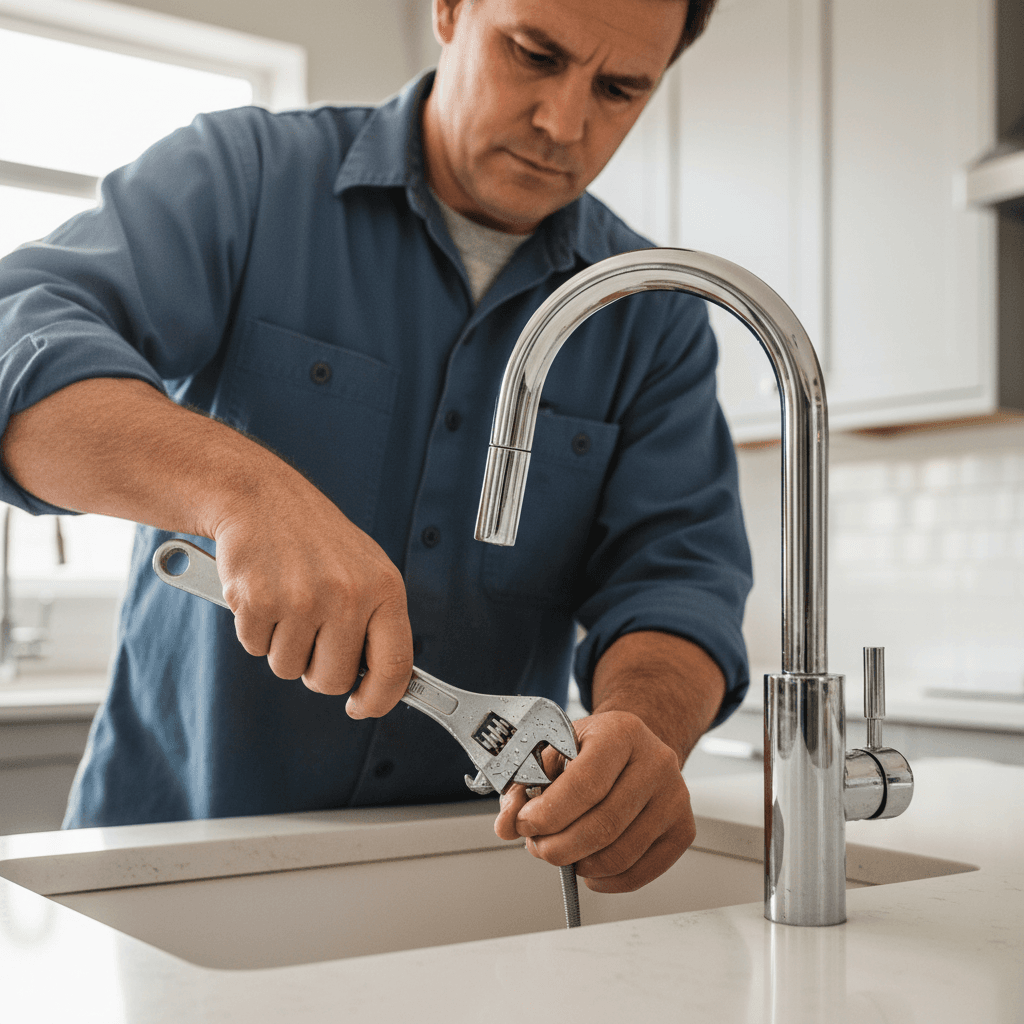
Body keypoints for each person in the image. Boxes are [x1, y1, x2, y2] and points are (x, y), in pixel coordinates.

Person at [0, 0, 751, 894]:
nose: (564, 122)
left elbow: (679, 584)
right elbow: (16, 341)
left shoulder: (651, 316)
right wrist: (242, 493)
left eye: (621, 87)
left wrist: (645, 732)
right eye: (533, 53)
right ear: (447, 10)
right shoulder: (244, 177)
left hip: (457, 881)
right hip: (167, 868)